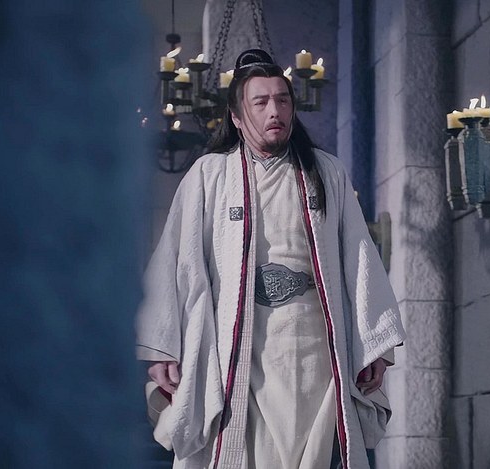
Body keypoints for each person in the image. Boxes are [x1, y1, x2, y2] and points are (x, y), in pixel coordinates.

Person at [136, 49, 406, 469]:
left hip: (315, 346)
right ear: (236, 117)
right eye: (260, 102)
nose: (274, 111)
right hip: (240, 345)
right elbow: (175, 260)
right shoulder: (209, 175)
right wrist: (162, 346)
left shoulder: (326, 172)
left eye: (282, 100)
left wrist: (375, 344)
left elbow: (359, 257)